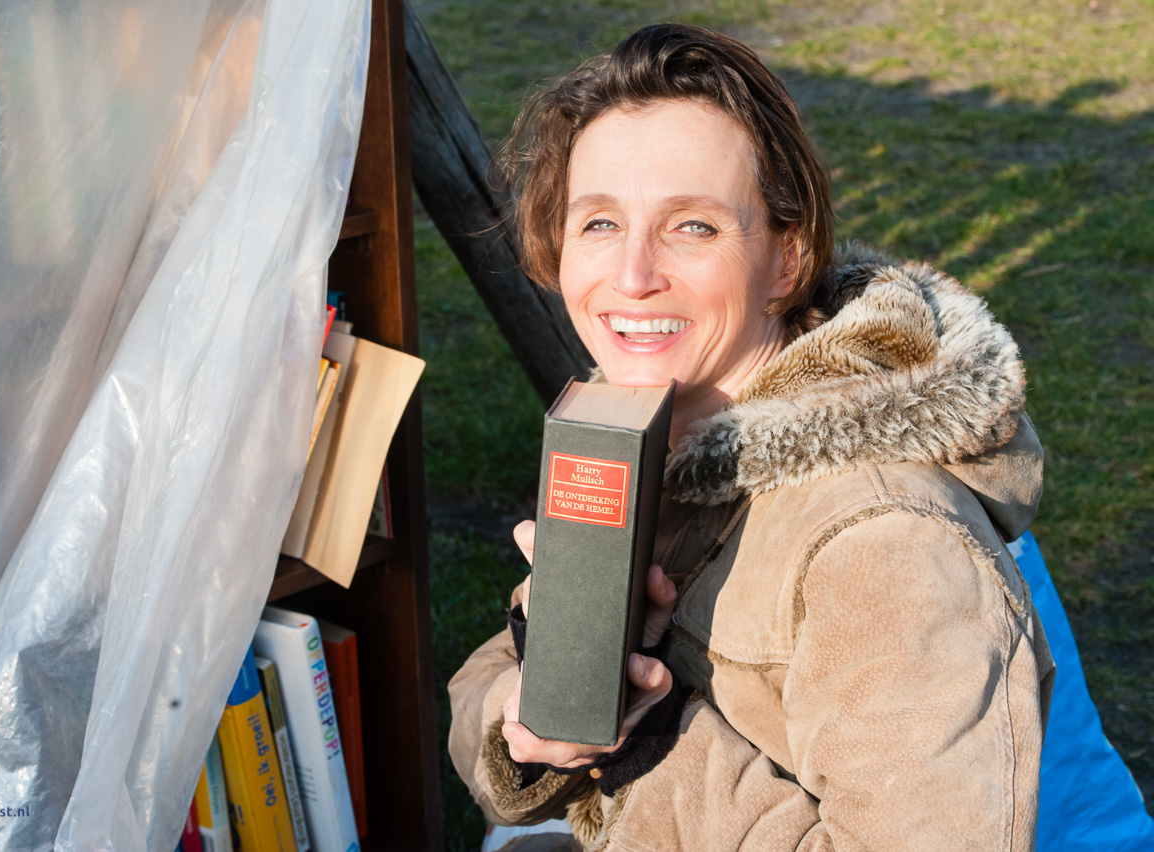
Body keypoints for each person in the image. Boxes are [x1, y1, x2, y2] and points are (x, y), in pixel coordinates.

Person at [447, 22, 1055, 852]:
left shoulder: (886, 549)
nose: (631, 277)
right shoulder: (650, 437)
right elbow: (478, 696)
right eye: (598, 224)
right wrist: (542, 702)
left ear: (787, 259)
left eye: (692, 226)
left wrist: (641, 748)